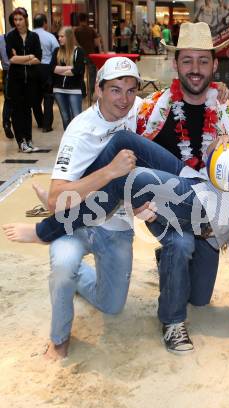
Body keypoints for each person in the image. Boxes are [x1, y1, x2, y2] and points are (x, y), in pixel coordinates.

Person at [6, 22, 229, 355]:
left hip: (197, 195)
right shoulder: (154, 107)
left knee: (195, 298)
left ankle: (55, 215)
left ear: (215, 65)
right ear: (176, 63)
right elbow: (134, 162)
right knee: (164, 219)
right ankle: (170, 322)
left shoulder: (221, 108)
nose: (195, 68)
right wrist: (135, 196)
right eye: (188, 60)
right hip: (160, 198)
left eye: (203, 61)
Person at [3, 57, 149, 360]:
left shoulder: (138, 108)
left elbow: (171, 101)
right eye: (115, 90)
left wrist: (221, 94)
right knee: (63, 266)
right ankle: (58, 338)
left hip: (116, 224)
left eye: (131, 90)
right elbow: (58, 198)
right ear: (98, 89)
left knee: (112, 306)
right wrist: (109, 171)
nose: (124, 99)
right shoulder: (79, 130)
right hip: (73, 221)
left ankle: (76, 274)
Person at [6, 7, 42, 153]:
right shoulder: (11, 37)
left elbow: (38, 58)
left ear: (26, 19)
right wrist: (29, 57)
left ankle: (29, 140)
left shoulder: (34, 37)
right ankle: (21, 141)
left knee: (28, 111)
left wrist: (22, 58)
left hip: (31, 81)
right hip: (16, 81)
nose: (18, 22)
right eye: (15, 19)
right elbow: (12, 59)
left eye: (20, 19)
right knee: (17, 112)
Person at [51, 26, 85, 130]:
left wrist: (59, 70)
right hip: (58, 89)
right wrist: (69, 68)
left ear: (69, 37)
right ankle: (68, 141)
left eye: (62, 36)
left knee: (76, 117)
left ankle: (78, 141)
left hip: (74, 89)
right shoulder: (57, 51)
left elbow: (77, 71)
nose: (59, 38)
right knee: (65, 118)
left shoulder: (78, 51)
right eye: (59, 36)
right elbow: (52, 68)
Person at [33, 14, 59, 133]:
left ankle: (40, 121)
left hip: (32, 67)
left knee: (35, 97)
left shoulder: (29, 35)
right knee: (48, 97)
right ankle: (46, 125)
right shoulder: (50, 36)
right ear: (44, 23)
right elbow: (57, 51)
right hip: (46, 68)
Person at [74, 13, 99, 98]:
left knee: (80, 74)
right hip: (90, 54)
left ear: (79, 20)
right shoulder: (91, 30)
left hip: (80, 54)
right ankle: (91, 92)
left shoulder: (76, 30)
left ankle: (82, 92)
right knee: (92, 74)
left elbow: (75, 43)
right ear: (86, 20)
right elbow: (96, 43)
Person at [0, 27, 14, 140]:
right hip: (19, 71)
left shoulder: (1, 38)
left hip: (6, 71)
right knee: (21, 100)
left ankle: (6, 123)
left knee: (8, 100)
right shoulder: (21, 37)